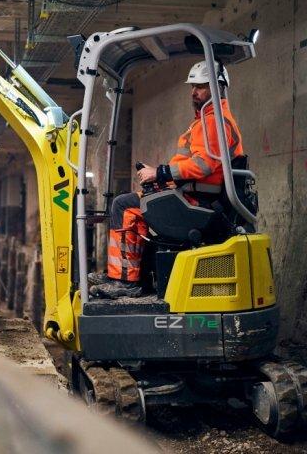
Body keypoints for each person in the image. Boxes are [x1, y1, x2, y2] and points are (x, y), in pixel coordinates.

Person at [90, 60, 245, 299]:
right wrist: (162, 179)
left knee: (124, 205)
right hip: (195, 195)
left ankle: (125, 281)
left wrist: (160, 173)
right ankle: (122, 273)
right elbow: (195, 165)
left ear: (218, 88)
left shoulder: (214, 121)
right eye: (193, 86)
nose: (194, 92)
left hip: (200, 202)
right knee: (137, 204)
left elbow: (204, 165)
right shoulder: (207, 120)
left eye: (201, 86)